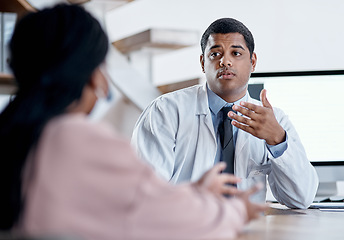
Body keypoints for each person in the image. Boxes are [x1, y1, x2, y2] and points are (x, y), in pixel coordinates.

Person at [0, 5, 267, 240]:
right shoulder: (76, 140)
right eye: (102, 67)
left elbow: (139, 201)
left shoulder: (15, 133)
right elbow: (163, 222)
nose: (105, 87)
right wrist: (236, 211)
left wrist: (192, 194)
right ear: (90, 75)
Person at [131, 18, 319, 209]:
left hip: (248, 232)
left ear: (252, 62)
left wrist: (277, 139)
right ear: (203, 63)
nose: (225, 61)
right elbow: (146, 194)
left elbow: (301, 199)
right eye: (215, 54)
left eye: (236, 53)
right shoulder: (165, 111)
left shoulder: (274, 121)